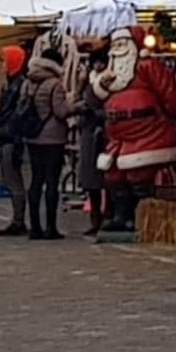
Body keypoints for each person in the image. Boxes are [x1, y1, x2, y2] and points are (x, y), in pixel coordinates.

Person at [90, 27, 176, 234]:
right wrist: (100, 86)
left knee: (139, 174)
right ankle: (121, 215)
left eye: (122, 45)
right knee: (114, 175)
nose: (118, 50)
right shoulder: (111, 73)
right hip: (118, 138)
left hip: (148, 134)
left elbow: (170, 97)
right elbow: (96, 96)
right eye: (115, 45)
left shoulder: (148, 67)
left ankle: (139, 216)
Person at [23, 44, 71, 240]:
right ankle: (51, 227)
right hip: (52, 138)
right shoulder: (55, 84)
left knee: (36, 180)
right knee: (52, 182)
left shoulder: (29, 82)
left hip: (32, 135)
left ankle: (34, 226)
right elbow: (60, 112)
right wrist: (73, 106)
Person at [0, 45, 29, 236]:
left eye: (3, 60)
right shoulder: (8, 85)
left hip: (12, 138)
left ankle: (19, 220)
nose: (0, 65)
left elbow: (18, 115)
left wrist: (11, 135)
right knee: (10, 180)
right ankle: (17, 218)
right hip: (6, 137)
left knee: (14, 181)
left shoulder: (20, 86)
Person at [73, 61, 106, 236]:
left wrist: (97, 115)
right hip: (88, 135)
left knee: (106, 179)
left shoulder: (110, 82)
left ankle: (107, 217)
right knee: (91, 181)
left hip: (102, 135)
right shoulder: (87, 83)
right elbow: (75, 101)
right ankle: (95, 218)